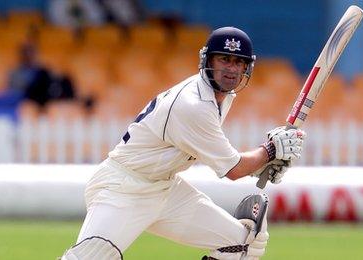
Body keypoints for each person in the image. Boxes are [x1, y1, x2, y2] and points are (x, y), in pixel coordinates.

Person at [60, 27, 306, 259]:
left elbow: (223, 158)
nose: (232, 69)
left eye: (239, 62)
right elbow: (233, 170)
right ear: (208, 61)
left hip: (165, 189)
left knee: (238, 244)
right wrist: (270, 151)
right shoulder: (193, 105)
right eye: (224, 60)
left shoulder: (221, 96)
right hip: (125, 187)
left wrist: (262, 162)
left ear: (247, 68)